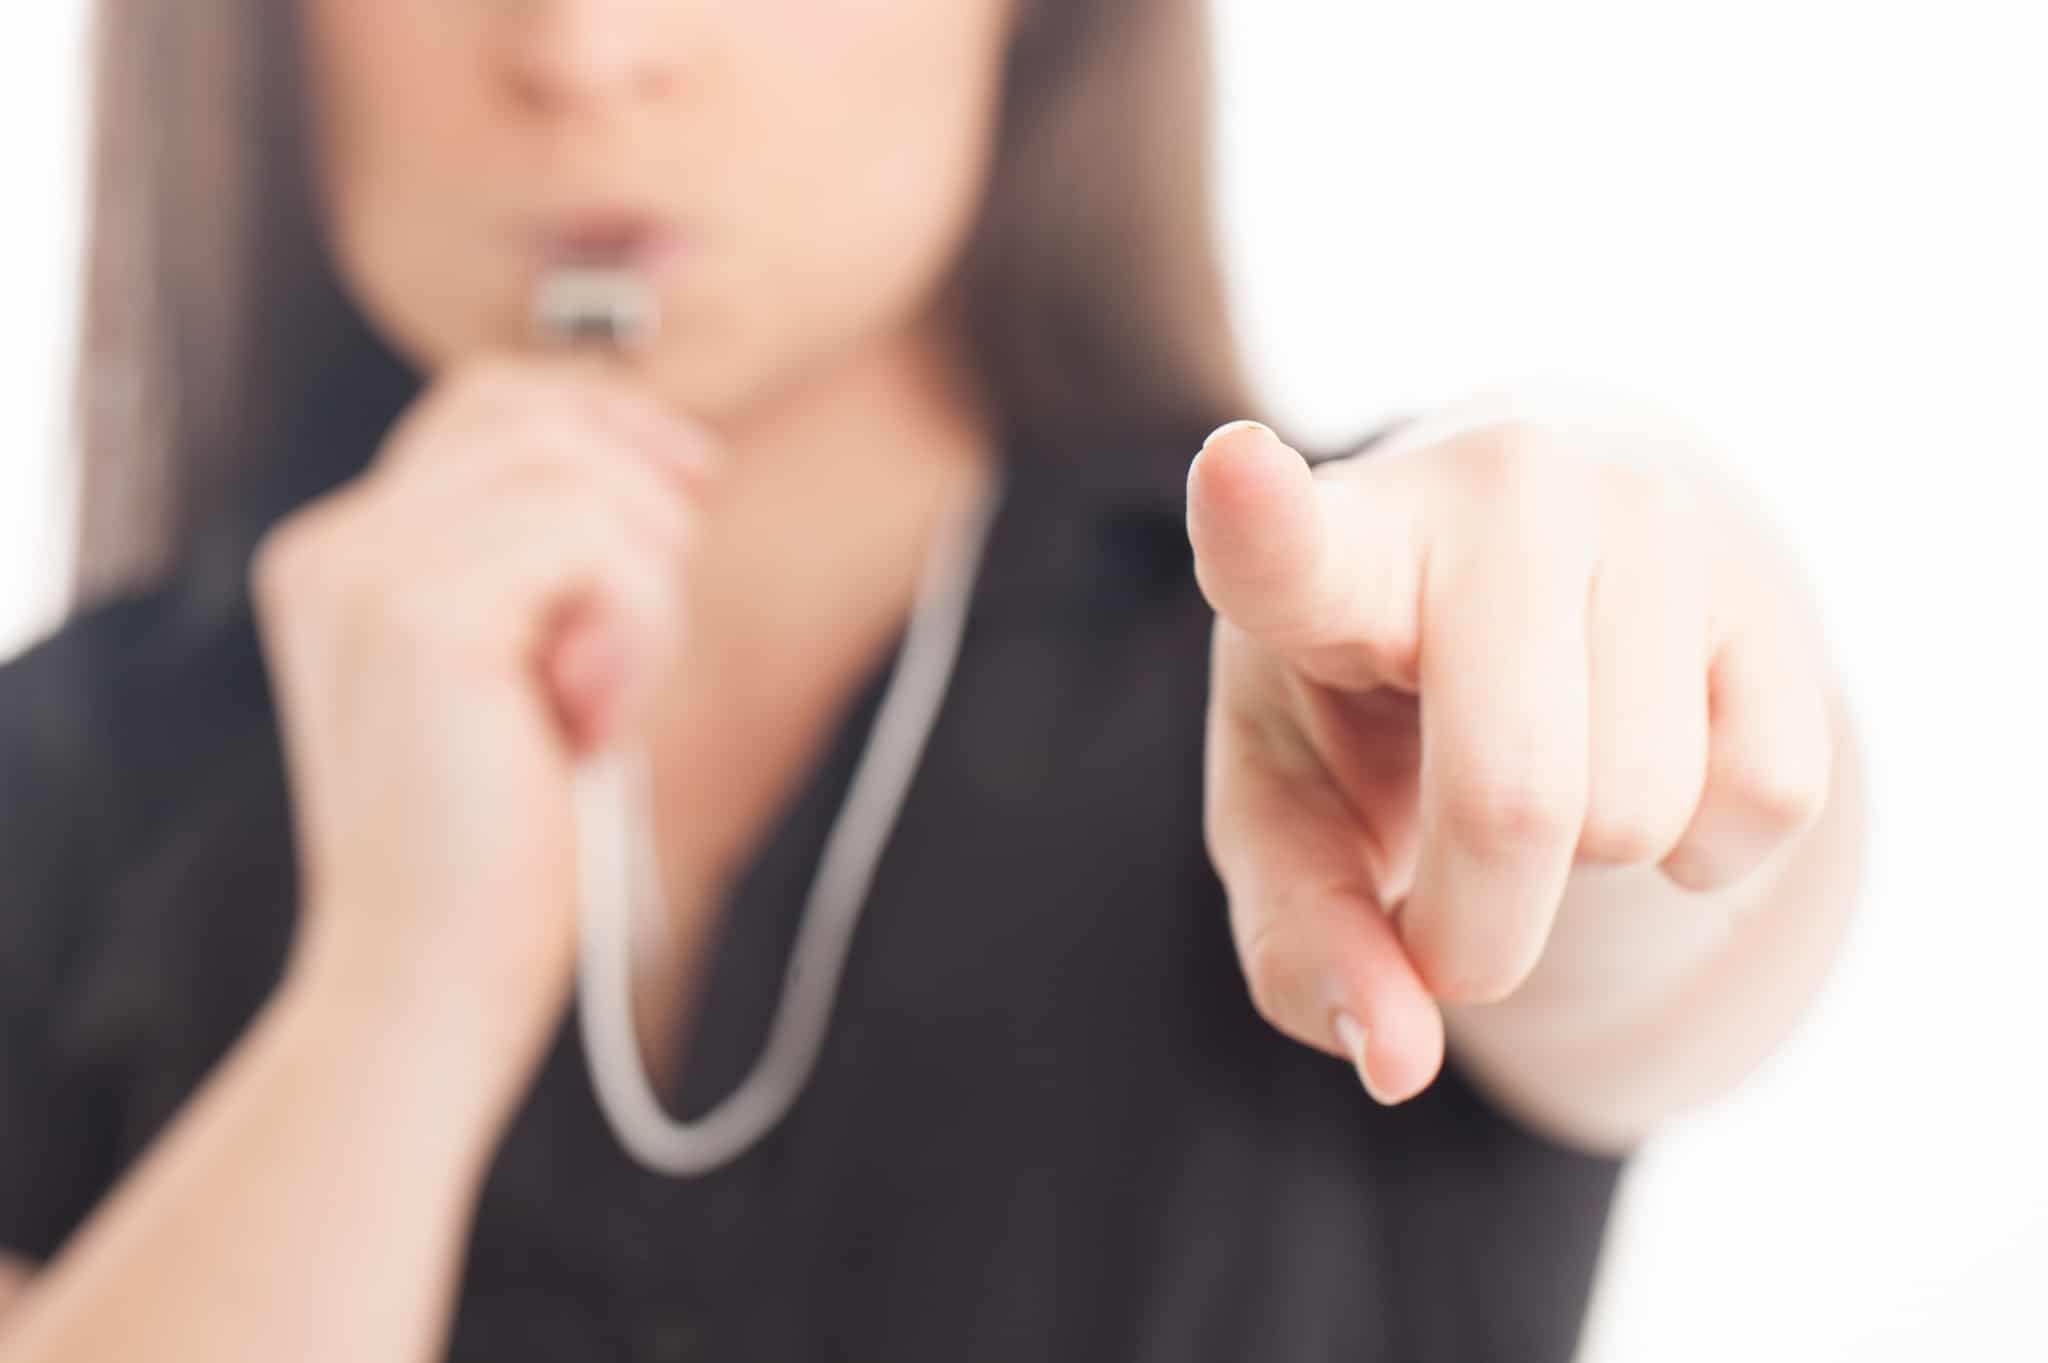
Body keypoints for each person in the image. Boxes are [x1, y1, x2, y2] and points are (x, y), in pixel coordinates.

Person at [0, 2, 1868, 1360]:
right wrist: (393, 998)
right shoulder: (65, 780)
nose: (579, 46)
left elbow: (1682, 858)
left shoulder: (1335, 674)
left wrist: (1624, 567)